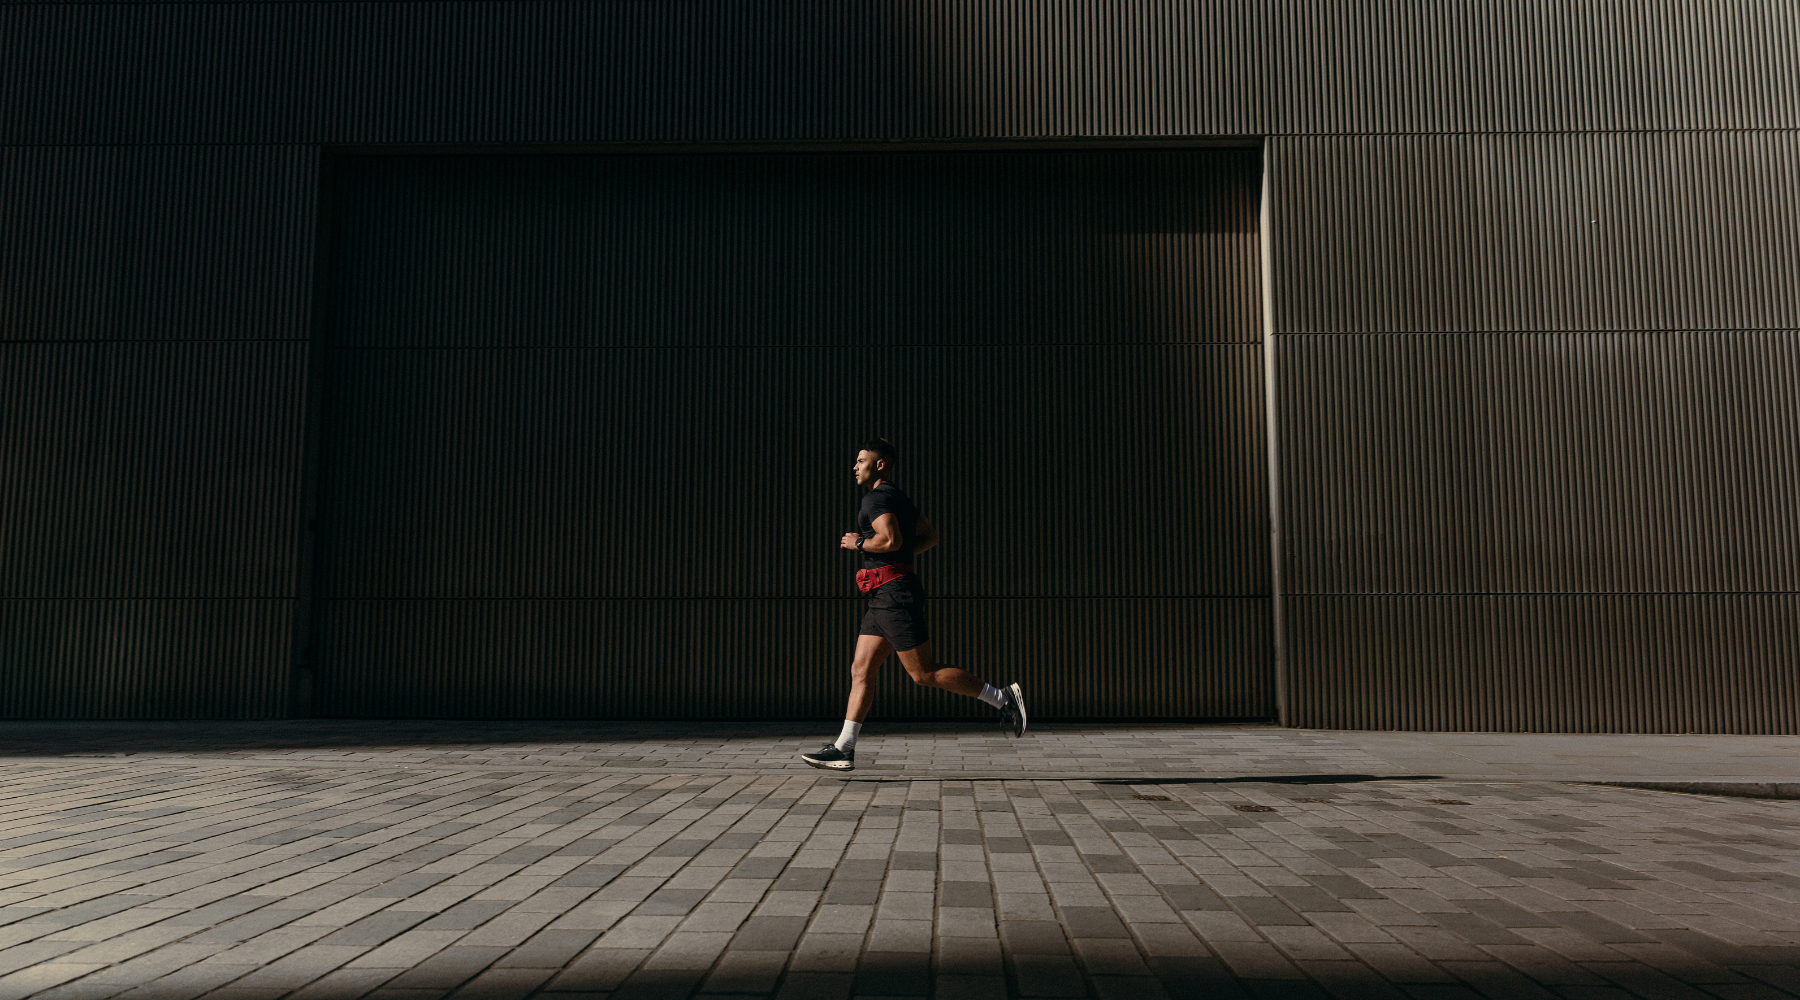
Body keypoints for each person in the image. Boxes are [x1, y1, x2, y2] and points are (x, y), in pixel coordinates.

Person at [801, 438, 1027, 772]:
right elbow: (930, 536)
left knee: (923, 673)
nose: (854, 466)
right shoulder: (898, 498)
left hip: (893, 595)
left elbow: (890, 539)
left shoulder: (875, 499)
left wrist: (859, 542)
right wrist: (900, 560)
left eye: (861, 460)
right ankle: (844, 748)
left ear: (879, 465)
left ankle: (1003, 698)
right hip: (884, 595)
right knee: (861, 669)